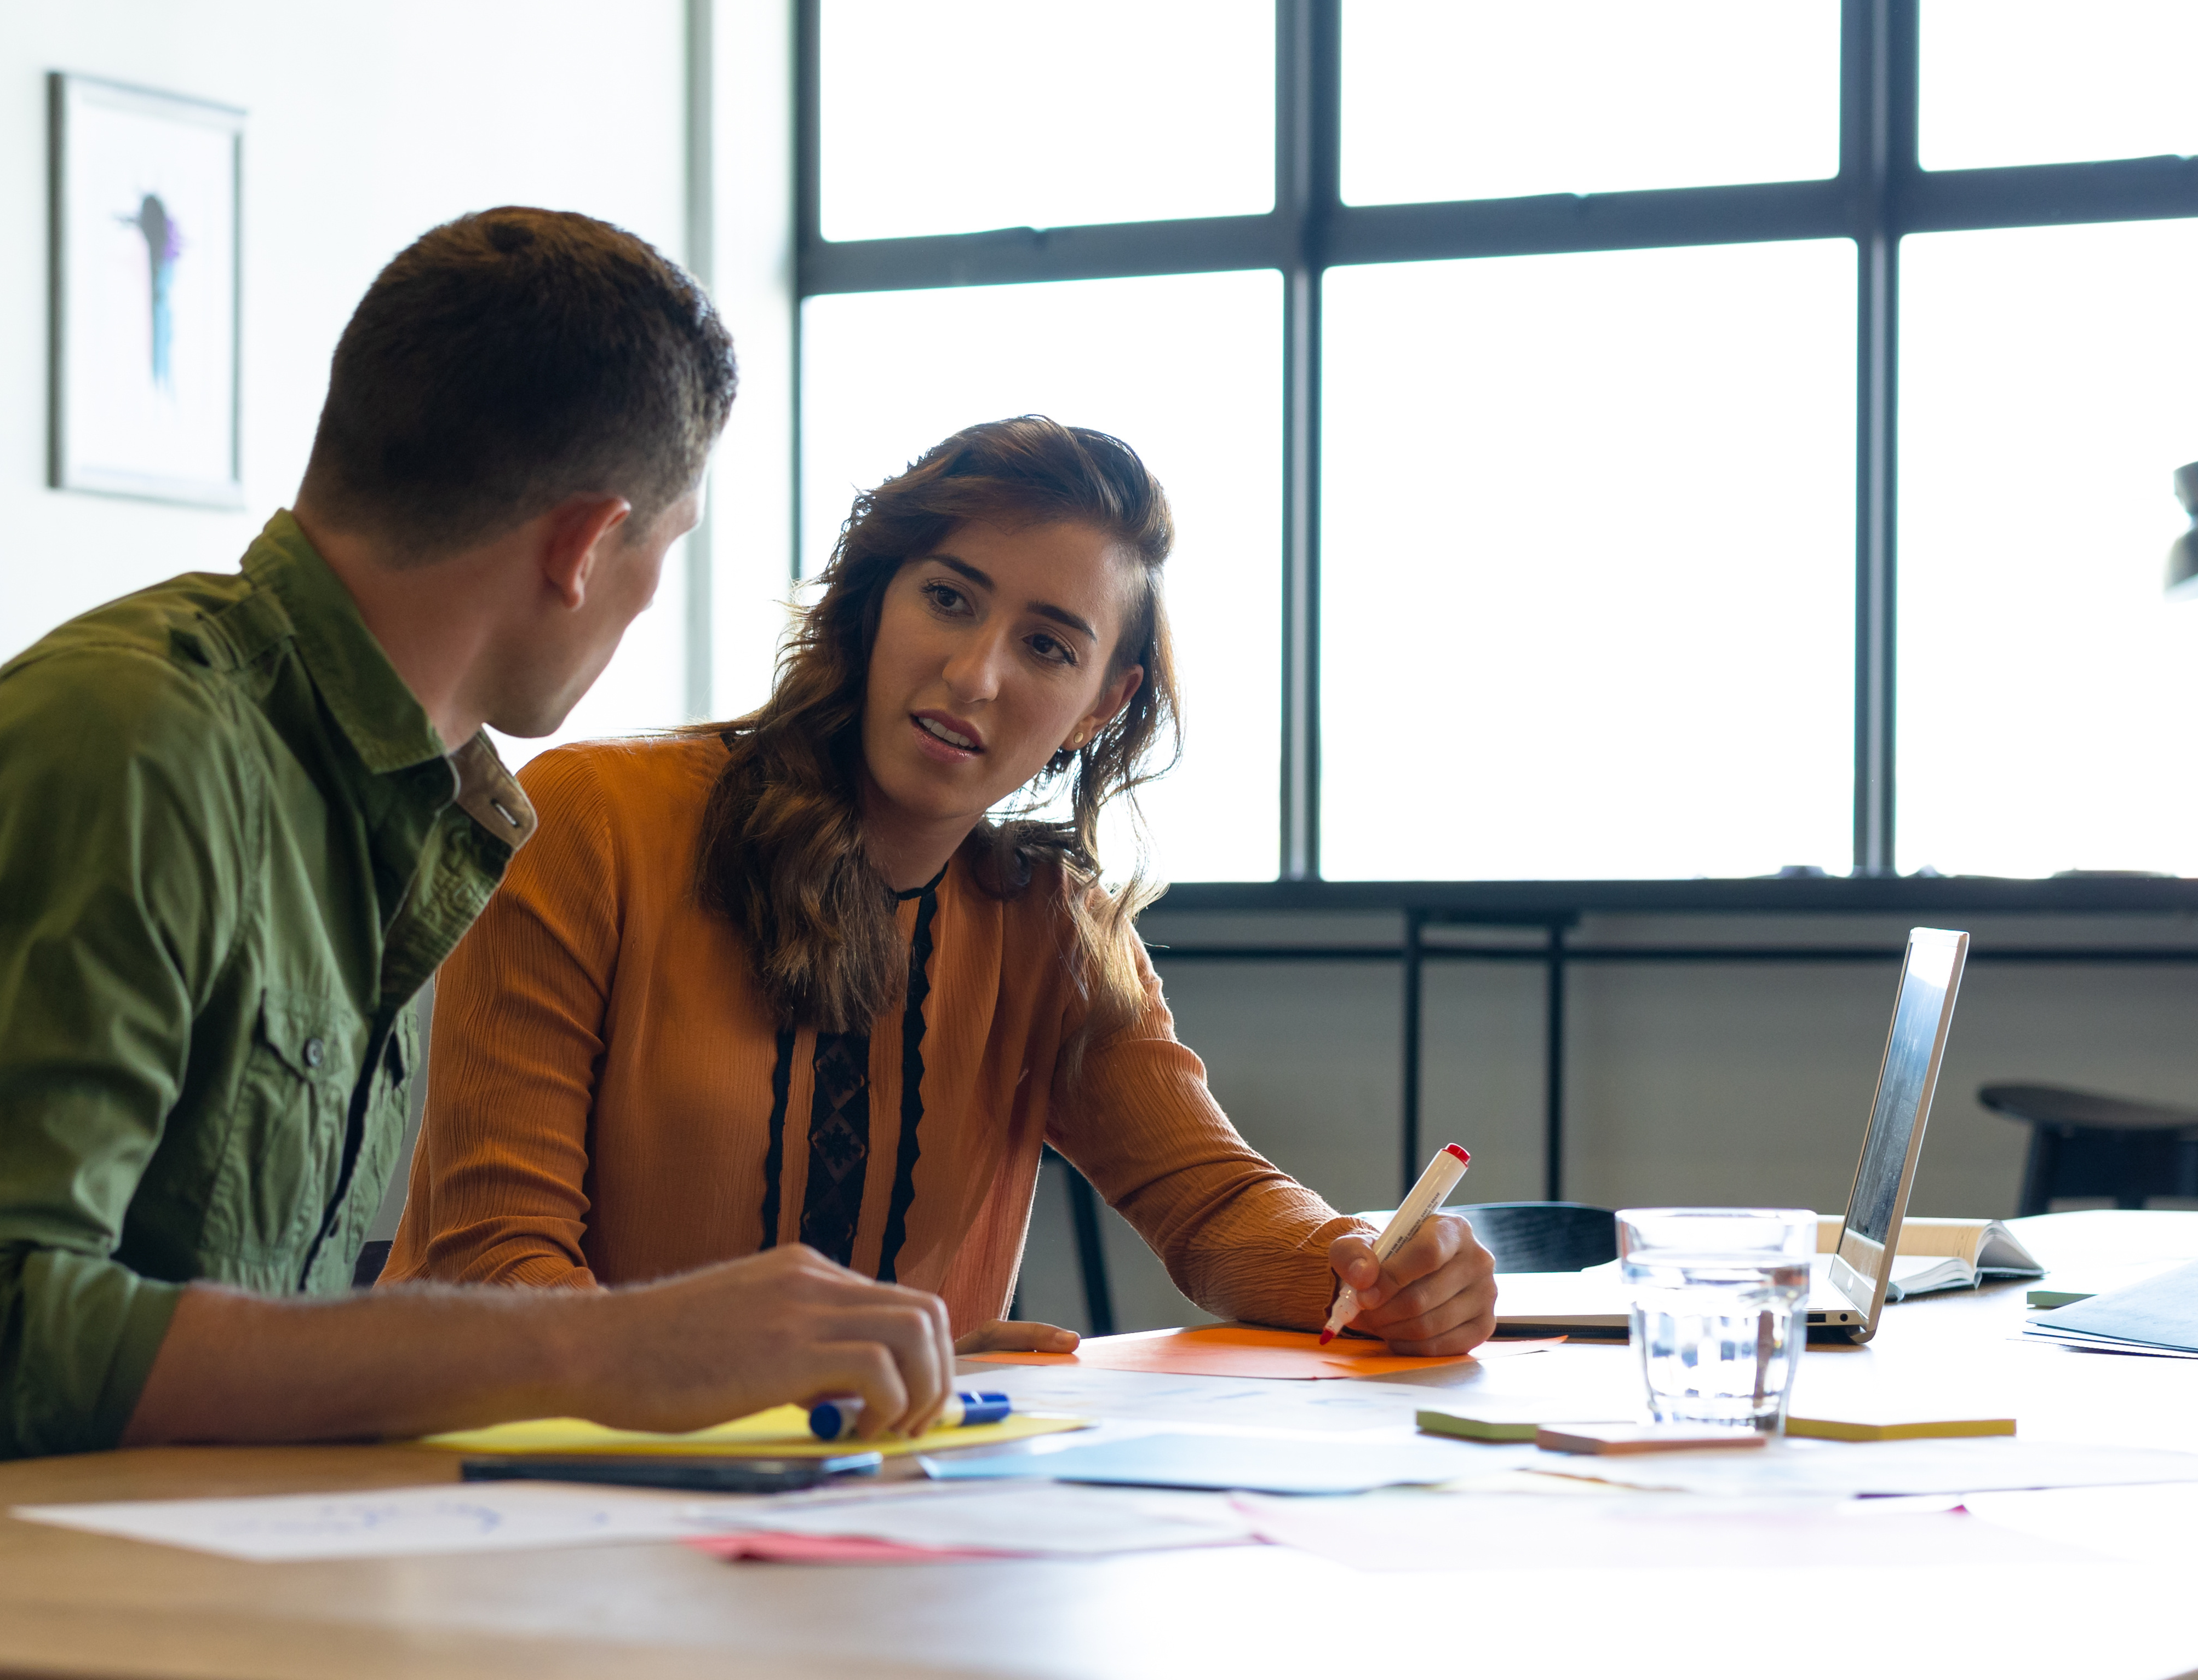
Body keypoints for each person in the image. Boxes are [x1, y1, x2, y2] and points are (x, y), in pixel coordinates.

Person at [0, 209, 967, 1486]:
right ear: (587, 545)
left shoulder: (386, 795)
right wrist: (594, 1349)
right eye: (670, 540)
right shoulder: (125, 749)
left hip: (191, 1594)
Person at [386, 416, 1499, 1353]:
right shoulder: (590, 819)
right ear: (874, 601)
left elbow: (1214, 1207)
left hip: (881, 1527)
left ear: (1101, 707)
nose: (974, 675)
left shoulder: (1043, 924)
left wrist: (1377, 1267)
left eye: (1049, 646)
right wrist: (800, 1370)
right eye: (950, 599)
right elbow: (493, 1267)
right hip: (511, 1506)